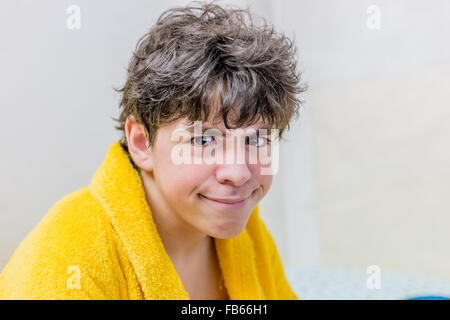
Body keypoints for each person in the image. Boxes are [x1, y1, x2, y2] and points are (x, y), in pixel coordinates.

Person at [0, 1, 304, 300]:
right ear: (142, 143)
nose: (238, 173)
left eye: (256, 139)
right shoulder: (66, 258)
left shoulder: (247, 233)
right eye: (203, 140)